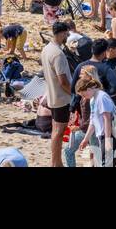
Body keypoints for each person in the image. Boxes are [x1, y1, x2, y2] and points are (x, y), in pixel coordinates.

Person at [40, 21, 73, 167]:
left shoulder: (47, 49)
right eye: (66, 34)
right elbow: (63, 81)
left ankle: (56, 162)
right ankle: (56, 163)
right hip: (61, 98)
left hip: (53, 95)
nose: (67, 36)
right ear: (60, 33)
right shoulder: (58, 54)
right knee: (59, 132)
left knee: (56, 130)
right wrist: (74, 95)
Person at [74, 75, 116, 167]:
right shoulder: (92, 99)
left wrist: (107, 140)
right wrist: (86, 139)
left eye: (83, 94)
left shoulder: (101, 97)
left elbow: (107, 119)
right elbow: (92, 121)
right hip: (102, 135)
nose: (84, 97)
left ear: (90, 88)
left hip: (110, 135)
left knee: (106, 163)